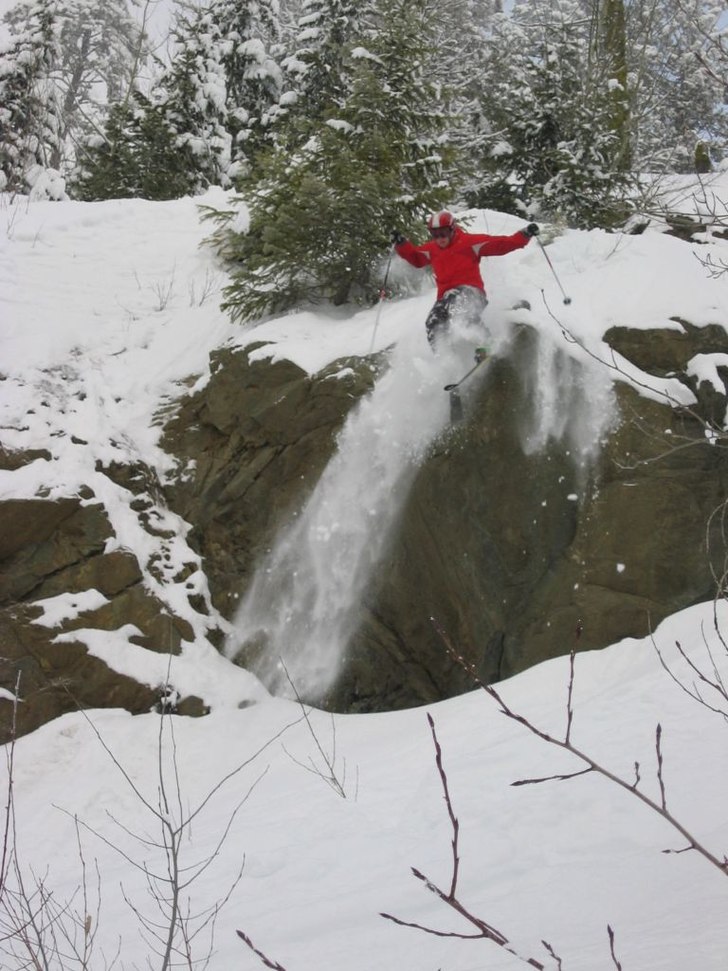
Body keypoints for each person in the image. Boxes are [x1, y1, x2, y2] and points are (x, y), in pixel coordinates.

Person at [391, 210, 539, 355]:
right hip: (445, 298)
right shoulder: (432, 249)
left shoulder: (469, 243)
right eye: (435, 234)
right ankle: (443, 358)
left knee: (460, 309)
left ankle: (486, 342)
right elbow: (416, 258)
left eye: (443, 233)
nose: (440, 238)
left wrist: (524, 234)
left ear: (452, 230)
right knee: (433, 322)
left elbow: (501, 244)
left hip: (471, 293)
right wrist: (401, 244)